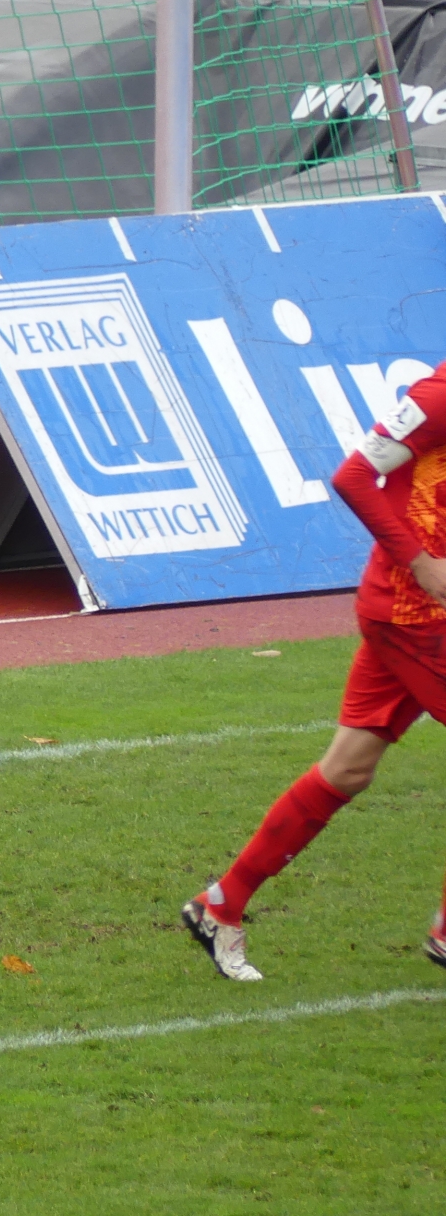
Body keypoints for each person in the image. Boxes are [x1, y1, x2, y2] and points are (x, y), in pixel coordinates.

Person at [182, 359, 446, 980]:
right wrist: (421, 562)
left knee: (348, 768)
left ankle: (221, 904)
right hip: (414, 613)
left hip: (410, 613)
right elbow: (353, 476)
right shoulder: (440, 397)